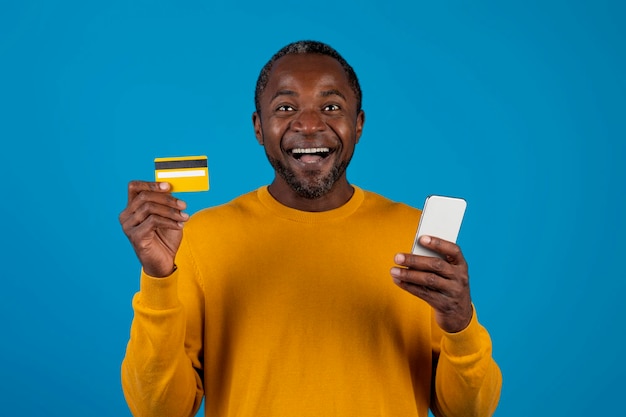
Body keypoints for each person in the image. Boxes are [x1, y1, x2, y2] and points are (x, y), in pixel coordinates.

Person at [119, 40, 502, 417]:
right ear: (258, 127)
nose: (308, 124)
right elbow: (157, 410)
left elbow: (470, 412)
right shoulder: (199, 238)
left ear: (359, 124)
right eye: (285, 107)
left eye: (331, 106)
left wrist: (459, 323)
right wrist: (158, 278)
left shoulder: (417, 237)